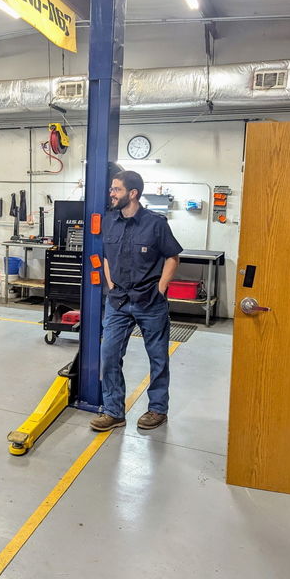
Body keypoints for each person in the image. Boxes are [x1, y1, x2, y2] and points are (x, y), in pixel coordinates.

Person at [90, 170, 182, 433]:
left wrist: (161, 288)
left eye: (116, 189)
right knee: (108, 356)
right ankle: (113, 411)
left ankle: (157, 409)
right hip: (118, 301)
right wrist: (110, 284)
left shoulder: (156, 223)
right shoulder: (110, 221)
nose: (111, 194)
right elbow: (107, 257)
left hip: (150, 301)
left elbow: (172, 257)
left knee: (157, 358)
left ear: (133, 193)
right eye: (111, 189)